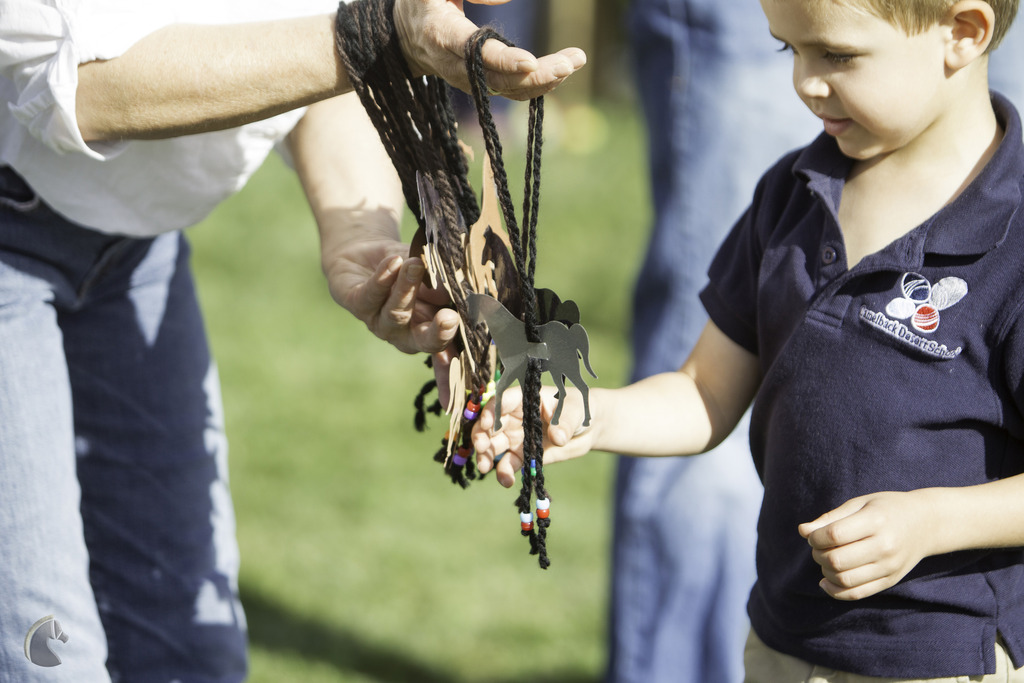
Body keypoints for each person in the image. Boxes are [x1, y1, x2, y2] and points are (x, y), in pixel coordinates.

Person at [0, 1, 585, 680]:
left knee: (191, 652)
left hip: (135, 245)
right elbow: (83, 84)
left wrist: (359, 239)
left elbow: (322, 61)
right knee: (46, 653)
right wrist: (375, 35)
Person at [475, 0, 1024, 680]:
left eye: (837, 56)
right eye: (785, 50)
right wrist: (594, 413)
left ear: (962, 32)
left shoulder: (1015, 238)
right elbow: (706, 390)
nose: (804, 82)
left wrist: (933, 521)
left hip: (943, 660)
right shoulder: (791, 195)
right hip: (780, 641)